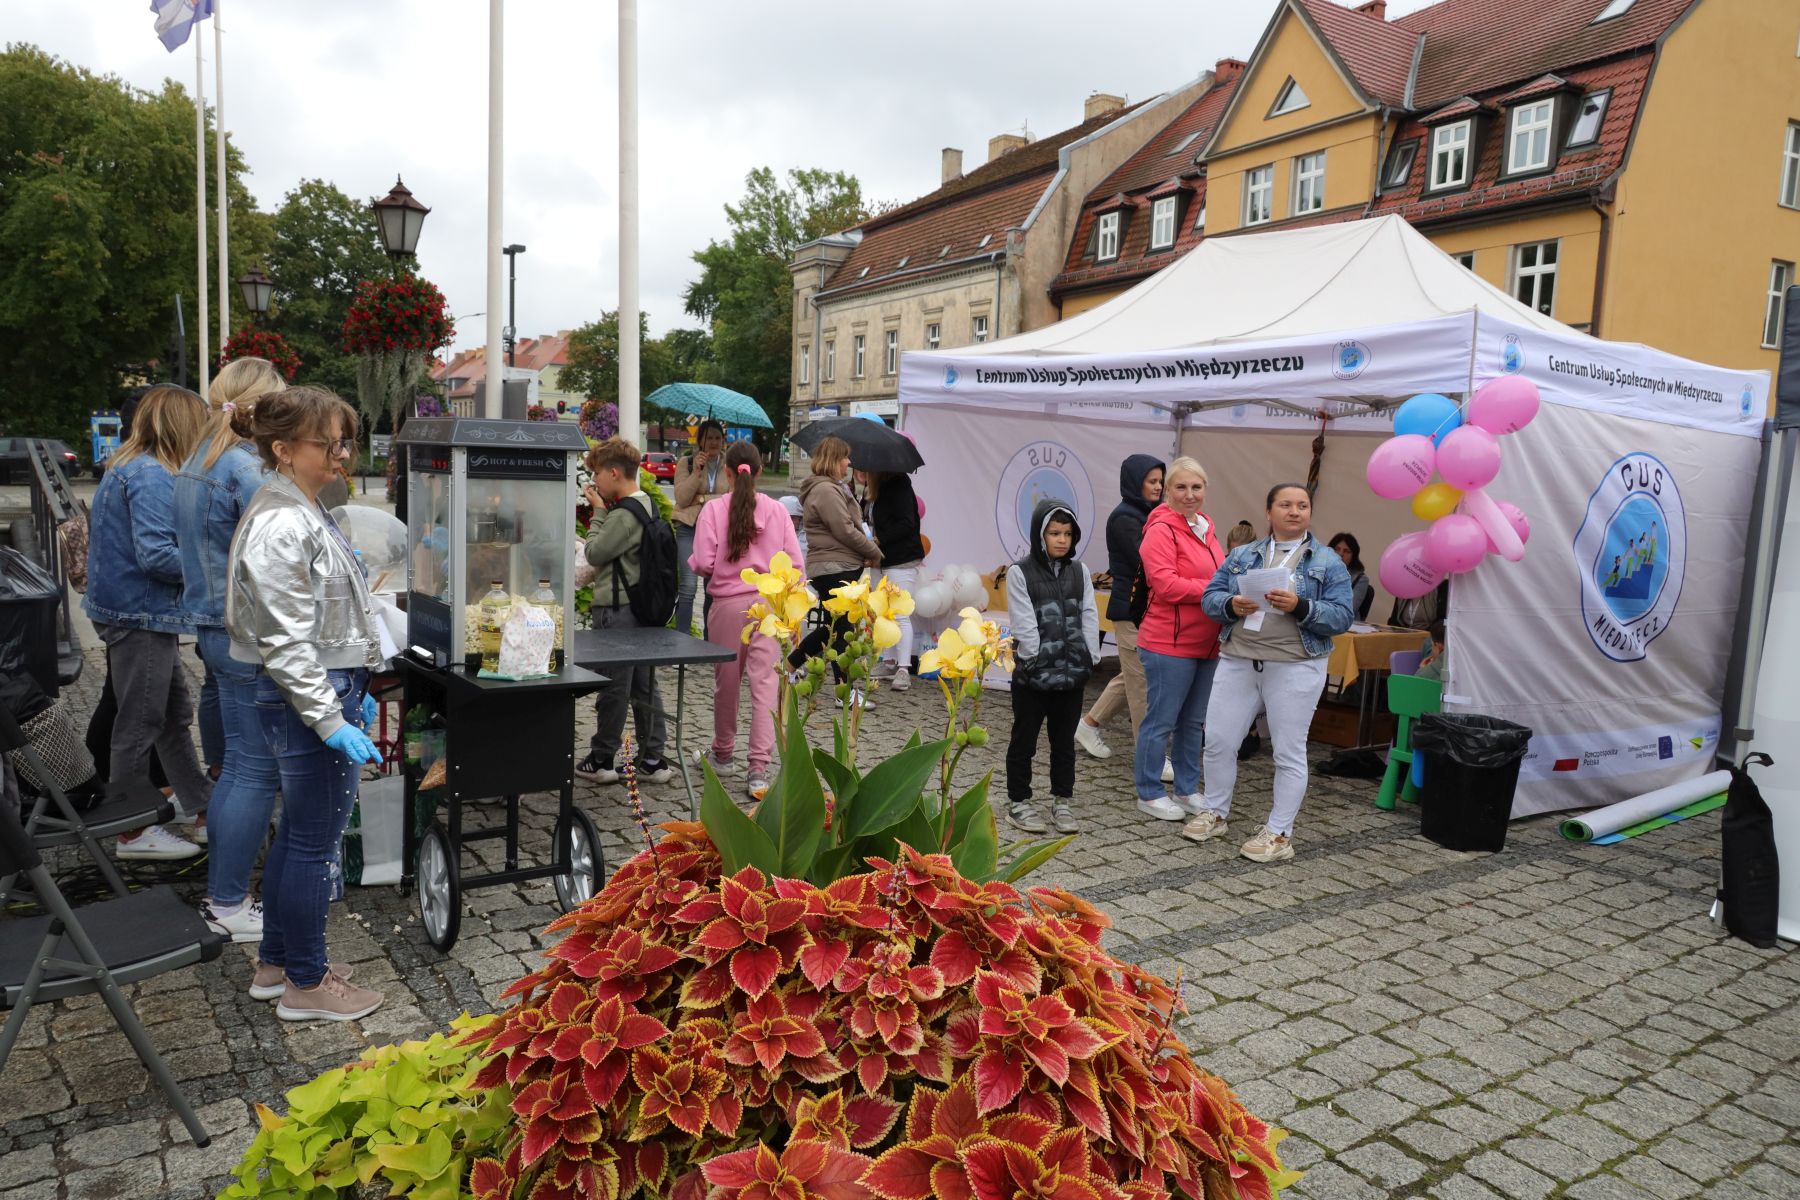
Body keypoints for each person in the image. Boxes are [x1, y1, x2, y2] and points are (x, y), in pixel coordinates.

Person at [226, 386, 385, 1021]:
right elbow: (285, 641)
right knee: (314, 845)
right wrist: (327, 717)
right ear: (284, 449)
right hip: (309, 695)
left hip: (322, 688)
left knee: (298, 834)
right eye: (330, 444)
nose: (341, 455)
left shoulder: (299, 506)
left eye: (344, 442)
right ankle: (307, 982)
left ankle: (278, 963)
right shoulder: (282, 520)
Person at [174, 356, 285, 941]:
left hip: (211, 628)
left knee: (236, 768)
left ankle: (225, 891)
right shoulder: (246, 469)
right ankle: (228, 900)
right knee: (253, 771)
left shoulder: (199, 459)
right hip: (244, 635)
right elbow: (274, 562)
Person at [1186, 483, 1354, 862]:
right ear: (1268, 512)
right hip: (1239, 660)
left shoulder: (1327, 560)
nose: (1294, 511)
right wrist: (1231, 604)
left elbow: (1342, 616)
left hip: (1295, 666)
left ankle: (1279, 833)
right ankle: (1215, 812)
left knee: (1288, 750)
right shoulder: (1243, 554)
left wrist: (1301, 606)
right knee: (1218, 741)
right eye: (1285, 505)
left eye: (1302, 505)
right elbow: (1210, 598)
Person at [82, 385, 215, 861]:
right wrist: (216, 565)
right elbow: (157, 555)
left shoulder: (130, 465)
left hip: (136, 611)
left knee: (171, 715)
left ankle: (200, 803)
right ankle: (132, 829)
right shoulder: (152, 475)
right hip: (140, 614)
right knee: (140, 722)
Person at [689, 441, 803, 801]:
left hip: (726, 606)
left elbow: (703, 562)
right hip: (769, 606)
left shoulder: (713, 510)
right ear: (759, 471)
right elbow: (796, 567)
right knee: (765, 685)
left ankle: (723, 753)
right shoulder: (777, 511)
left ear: (726, 471)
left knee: (726, 684)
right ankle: (758, 769)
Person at [1132, 457, 1225, 822]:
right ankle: (1149, 792)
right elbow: (1167, 585)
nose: (1190, 494)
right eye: (1181, 487)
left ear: (1205, 490)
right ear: (1167, 490)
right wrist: (1215, 589)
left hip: (1207, 643)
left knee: (1193, 722)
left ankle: (1186, 789)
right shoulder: (1160, 530)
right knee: (1161, 721)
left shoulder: (1206, 528)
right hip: (1167, 644)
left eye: (1196, 487)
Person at [576, 437, 674, 784]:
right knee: (644, 685)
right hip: (642, 610)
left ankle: (602, 757)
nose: (595, 480)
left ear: (615, 472)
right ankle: (652, 757)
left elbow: (594, 553)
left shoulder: (621, 515)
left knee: (614, 686)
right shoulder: (648, 504)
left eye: (598, 473)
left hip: (618, 610)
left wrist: (598, 513)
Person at [1004, 502, 1100, 836]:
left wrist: (1090, 655)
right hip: (1033, 677)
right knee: (1024, 741)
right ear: (1039, 535)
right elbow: (1023, 620)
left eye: (1067, 534)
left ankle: (1063, 800)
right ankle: (1019, 801)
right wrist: (1031, 658)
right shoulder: (1020, 572)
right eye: (1054, 533)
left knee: (1063, 744)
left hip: (1071, 676)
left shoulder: (1080, 572)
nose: (1062, 540)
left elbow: (1089, 613)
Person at [1075, 456, 1163, 770]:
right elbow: (1148, 560)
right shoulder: (1126, 517)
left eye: (1160, 481)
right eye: (1151, 481)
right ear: (1135, 482)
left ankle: (1088, 725)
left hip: (1146, 609)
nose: (1158, 487)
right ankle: (1150, 757)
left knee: (1133, 675)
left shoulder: (1151, 514)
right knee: (1142, 684)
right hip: (1131, 609)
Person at [790, 437, 880, 685]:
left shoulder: (832, 488)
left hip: (838, 565)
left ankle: (789, 666)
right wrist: (874, 552)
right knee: (842, 630)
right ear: (834, 460)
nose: (849, 462)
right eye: (845, 457)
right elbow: (844, 530)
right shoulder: (826, 490)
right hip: (834, 567)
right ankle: (844, 691)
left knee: (832, 628)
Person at [865, 468, 924, 690]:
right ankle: (889, 662)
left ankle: (903, 668)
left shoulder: (899, 484)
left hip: (901, 559)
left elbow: (907, 523)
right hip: (880, 560)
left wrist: (879, 539)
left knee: (900, 614)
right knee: (883, 613)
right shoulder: (874, 488)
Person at [671, 420, 731, 636]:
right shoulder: (687, 463)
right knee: (688, 587)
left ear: (723, 440)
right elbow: (682, 498)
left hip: (717, 531)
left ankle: (709, 639)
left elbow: (731, 497)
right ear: (700, 440)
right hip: (689, 528)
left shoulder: (729, 464)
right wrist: (696, 472)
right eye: (709, 438)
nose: (713, 442)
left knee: (712, 588)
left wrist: (703, 498)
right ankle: (682, 639)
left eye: (717, 437)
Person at [1328, 532, 1373, 621]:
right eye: (1337, 549)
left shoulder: (1360, 579)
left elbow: (1347, 611)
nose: (1340, 554)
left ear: (1353, 556)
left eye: (1346, 551)